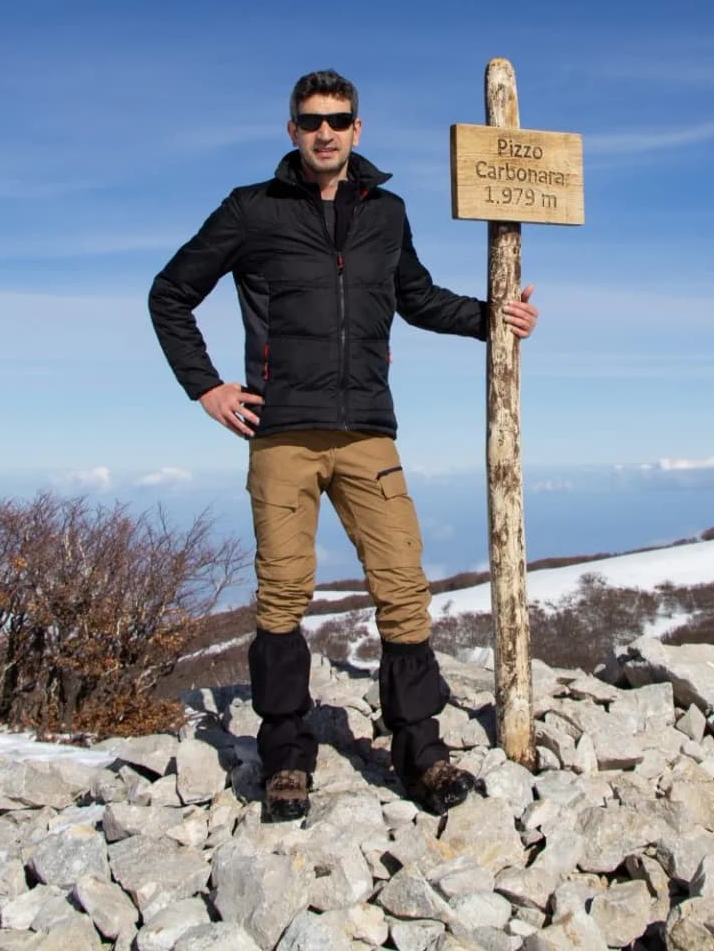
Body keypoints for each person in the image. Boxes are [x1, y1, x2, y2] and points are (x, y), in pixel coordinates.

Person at [149, 68, 539, 823]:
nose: (324, 131)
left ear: (358, 129)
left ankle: (419, 751)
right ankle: (287, 756)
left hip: (367, 430)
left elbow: (416, 296)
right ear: (291, 131)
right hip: (282, 434)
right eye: (310, 120)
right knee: (282, 597)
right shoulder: (250, 210)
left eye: (338, 119)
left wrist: (494, 317)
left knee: (402, 589)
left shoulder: (384, 213)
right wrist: (208, 388)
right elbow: (171, 293)